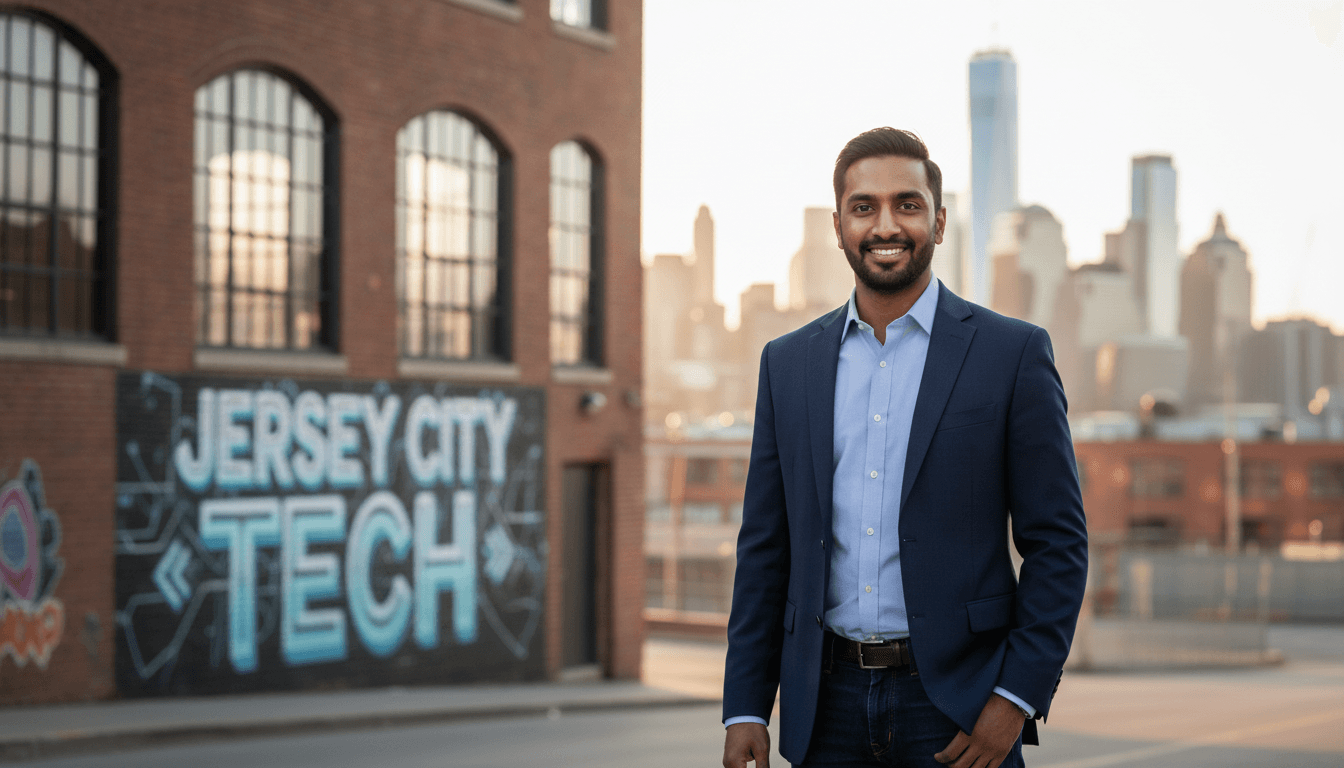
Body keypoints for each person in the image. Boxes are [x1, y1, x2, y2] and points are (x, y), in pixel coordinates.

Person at [721, 127, 1088, 768]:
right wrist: (746, 704)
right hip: (824, 708)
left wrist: (1014, 698)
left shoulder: (1012, 354)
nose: (885, 225)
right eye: (864, 207)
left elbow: (1058, 544)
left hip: (957, 705)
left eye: (907, 205)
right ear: (839, 226)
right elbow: (765, 548)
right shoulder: (788, 363)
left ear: (939, 223)